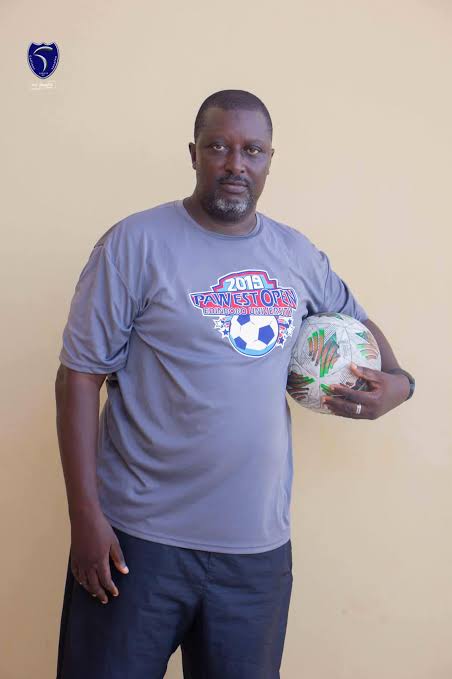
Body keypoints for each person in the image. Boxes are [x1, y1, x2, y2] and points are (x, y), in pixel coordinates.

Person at [54, 89, 415, 679]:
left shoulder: (296, 255)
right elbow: (77, 377)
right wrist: (85, 518)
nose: (235, 164)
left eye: (252, 150)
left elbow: (356, 322)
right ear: (193, 153)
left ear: (270, 159)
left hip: (254, 556)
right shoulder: (134, 244)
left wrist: (399, 383)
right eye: (218, 147)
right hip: (136, 542)